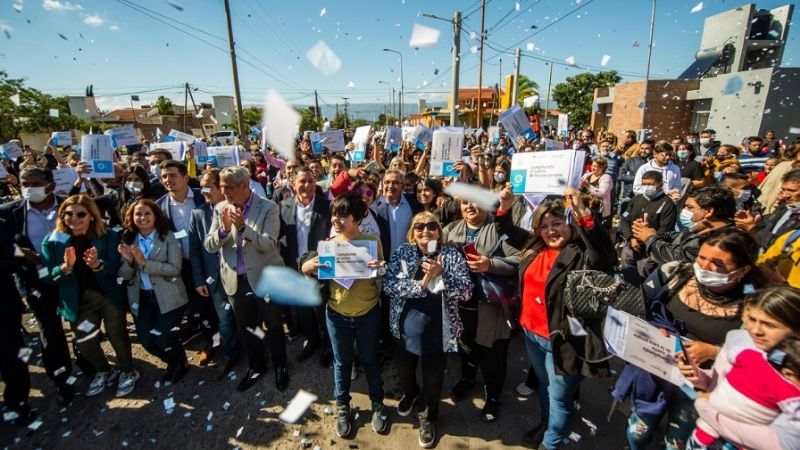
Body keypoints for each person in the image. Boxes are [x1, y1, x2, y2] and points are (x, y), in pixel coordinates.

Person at [615, 228, 771, 450]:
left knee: (676, 442)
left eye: (717, 264)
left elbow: (765, 356)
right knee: (638, 432)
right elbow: (639, 305)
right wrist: (653, 328)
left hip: (702, 386)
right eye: (702, 257)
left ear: (742, 270)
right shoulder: (675, 273)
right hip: (655, 373)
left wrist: (716, 352)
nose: (704, 267)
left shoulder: (757, 304)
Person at [496, 187, 616, 450]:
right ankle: (547, 423)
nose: (551, 231)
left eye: (558, 224)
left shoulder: (582, 254)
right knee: (545, 386)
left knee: (560, 396)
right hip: (531, 334)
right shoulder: (535, 246)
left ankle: (551, 442)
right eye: (545, 226)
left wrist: (582, 211)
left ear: (570, 224)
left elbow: (605, 255)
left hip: (564, 339)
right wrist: (504, 207)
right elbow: (507, 230)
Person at [300, 191, 388, 438]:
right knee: (342, 363)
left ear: (357, 218)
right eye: (334, 214)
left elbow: (382, 271)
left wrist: (379, 268)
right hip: (337, 314)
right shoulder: (328, 244)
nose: (337, 220)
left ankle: (378, 405)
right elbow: (306, 265)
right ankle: (342, 407)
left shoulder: (372, 242)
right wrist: (307, 267)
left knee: (371, 360)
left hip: (368, 313)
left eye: (343, 215)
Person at [383, 212, 473, 448]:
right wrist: (421, 285)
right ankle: (411, 394)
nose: (425, 230)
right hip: (403, 331)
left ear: (439, 230)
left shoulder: (451, 255)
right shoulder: (404, 252)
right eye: (419, 226)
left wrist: (443, 275)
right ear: (412, 232)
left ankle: (428, 418)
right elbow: (389, 284)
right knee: (405, 374)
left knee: (433, 382)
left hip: (438, 335)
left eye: (431, 226)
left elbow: (467, 291)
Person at [40, 195, 137, 398]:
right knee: (85, 341)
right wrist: (64, 268)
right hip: (78, 302)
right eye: (68, 214)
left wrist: (98, 265)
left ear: (92, 216)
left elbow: (115, 268)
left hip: (107, 297)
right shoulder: (52, 242)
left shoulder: (107, 236)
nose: (74, 218)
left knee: (116, 334)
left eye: (80, 214)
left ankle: (128, 371)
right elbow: (48, 276)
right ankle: (103, 371)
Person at [681, 286, 800, 450]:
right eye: (751, 319)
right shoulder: (742, 344)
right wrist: (699, 377)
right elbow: (717, 385)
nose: (756, 330)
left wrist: (707, 409)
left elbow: (785, 444)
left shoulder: (794, 373)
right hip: (702, 439)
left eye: (769, 325)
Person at [204, 166, 288, 392]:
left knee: (273, 325)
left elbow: (269, 243)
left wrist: (243, 228)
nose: (224, 192)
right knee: (249, 327)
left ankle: (281, 366)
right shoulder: (220, 208)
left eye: (228, 187)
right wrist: (223, 230)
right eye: (221, 187)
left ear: (244, 186)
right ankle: (256, 366)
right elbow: (209, 245)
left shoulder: (268, 207)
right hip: (235, 280)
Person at [442, 195, 521, 423]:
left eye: (475, 201)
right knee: (466, 347)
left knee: (493, 355)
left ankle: (493, 397)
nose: (470, 206)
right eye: (465, 202)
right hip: (460, 305)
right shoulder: (450, 229)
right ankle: (468, 380)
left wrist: (490, 264)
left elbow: (519, 260)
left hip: (491, 306)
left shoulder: (499, 228)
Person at [0, 167, 76, 405]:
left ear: (50, 185)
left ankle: (90, 365)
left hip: (70, 277)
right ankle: (62, 378)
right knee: (50, 331)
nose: (28, 188)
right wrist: (19, 254)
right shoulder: (8, 214)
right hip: (36, 282)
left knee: (81, 324)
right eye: (25, 183)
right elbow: (3, 249)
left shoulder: (70, 206)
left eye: (34, 183)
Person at [118, 199, 189, 384]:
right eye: (138, 214)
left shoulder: (167, 237)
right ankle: (170, 362)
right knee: (147, 340)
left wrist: (144, 263)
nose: (143, 217)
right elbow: (124, 275)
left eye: (147, 213)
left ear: (155, 216)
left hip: (169, 296)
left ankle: (180, 362)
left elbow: (174, 268)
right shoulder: (128, 241)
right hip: (141, 297)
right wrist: (130, 262)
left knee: (164, 336)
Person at [156, 160, 218, 364]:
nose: (167, 180)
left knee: (221, 303)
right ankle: (213, 343)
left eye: (172, 175)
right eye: (164, 176)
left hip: (213, 260)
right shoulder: (160, 206)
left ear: (185, 177)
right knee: (200, 307)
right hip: (184, 265)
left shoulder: (203, 195)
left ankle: (235, 339)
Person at [189, 168, 240, 380]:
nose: (204, 192)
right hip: (214, 278)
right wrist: (199, 278)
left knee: (245, 316)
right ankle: (229, 356)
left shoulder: (238, 208)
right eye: (202, 187)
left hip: (238, 273)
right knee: (225, 319)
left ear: (222, 187)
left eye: (208, 186)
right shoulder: (199, 214)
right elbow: (195, 249)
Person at [279, 166, 333, 366]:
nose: (307, 185)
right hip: (295, 268)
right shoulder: (283, 206)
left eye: (311, 181)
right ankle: (312, 341)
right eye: (302, 181)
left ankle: (328, 345)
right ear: (293, 185)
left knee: (322, 309)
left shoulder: (327, 206)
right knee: (303, 311)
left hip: (319, 267)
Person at [634, 186, 737, 266]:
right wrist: (650, 233)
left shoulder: (722, 240)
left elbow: (680, 259)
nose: (685, 211)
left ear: (709, 211)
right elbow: (677, 237)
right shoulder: (702, 227)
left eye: (690, 207)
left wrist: (650, 239)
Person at [0, 215, 35, 424]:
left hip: (3, 307)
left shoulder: (1, 224)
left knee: (11, 357)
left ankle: (18, 403)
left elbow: (13, 256)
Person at [619, 171, 678, 283]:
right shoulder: (637, 199)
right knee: (627, 276)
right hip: (631, 246)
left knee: (645, 279)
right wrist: (630, 238)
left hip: (649, 251)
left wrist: (645, 240)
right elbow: (625, 219)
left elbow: (665, 230)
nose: (647, 187)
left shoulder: (667, 204)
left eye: (650, 184)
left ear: (660, 184)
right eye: (644, 184)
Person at [738, 168, 800, 250]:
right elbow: (769, 225)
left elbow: (782, 247)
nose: (785, 195)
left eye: (792, 190)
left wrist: (752, 229)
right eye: (783, 189)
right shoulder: (786, 206)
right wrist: (751, 222)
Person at [580, 156, 614, 228]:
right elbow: (579, 188)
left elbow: (602, 194)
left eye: (596, 166)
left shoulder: (606, 177)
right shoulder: (587, 175)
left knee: (597, 229)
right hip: (584, 207)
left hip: (597, 210)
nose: (593, 167)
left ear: (602, 168)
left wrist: (588, 185)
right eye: (592, 165)